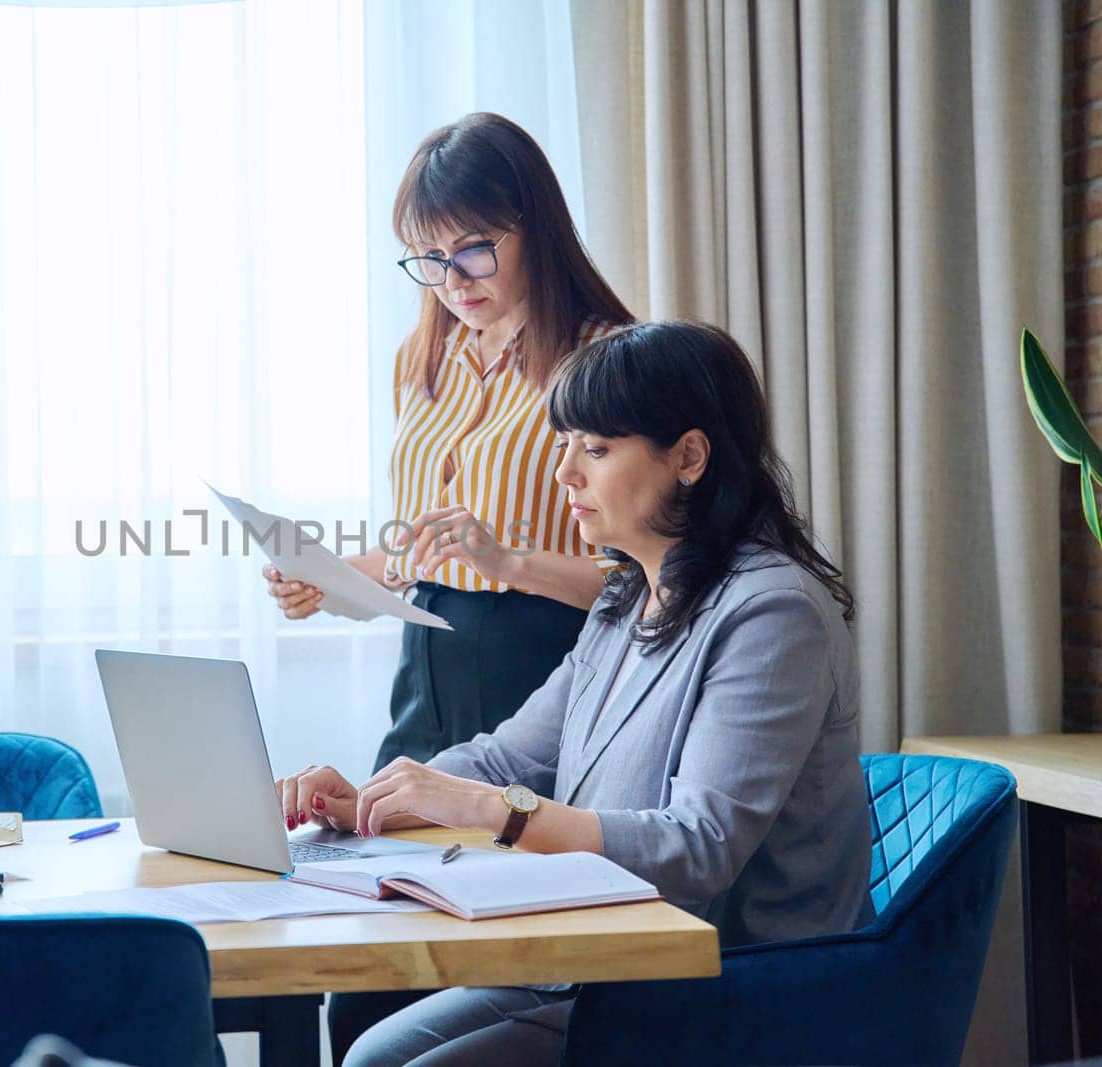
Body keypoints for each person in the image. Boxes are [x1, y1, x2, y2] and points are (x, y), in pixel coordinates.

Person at [275, 320, 876, 1067]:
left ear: (689, 456)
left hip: (724, 982)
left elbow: (699, 847)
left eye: (594, 449)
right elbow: (508, 758)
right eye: (566, 446)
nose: (566, 474)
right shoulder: (627, 597)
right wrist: (371, 800)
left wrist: (487, 811)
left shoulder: (772, 612)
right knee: (373, 1052)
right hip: (604, 961)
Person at [264, 111, 634, 771]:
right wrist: (330, 579)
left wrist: (509, 561)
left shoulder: (603, 358)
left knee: (511, 865)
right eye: (431, 258)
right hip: (425, 666)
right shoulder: (423, 357)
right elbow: (423, 549)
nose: (455, 280)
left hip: (544, 664)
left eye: (473, 248)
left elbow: (640, 580)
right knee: (386, 860)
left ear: (536, 228)